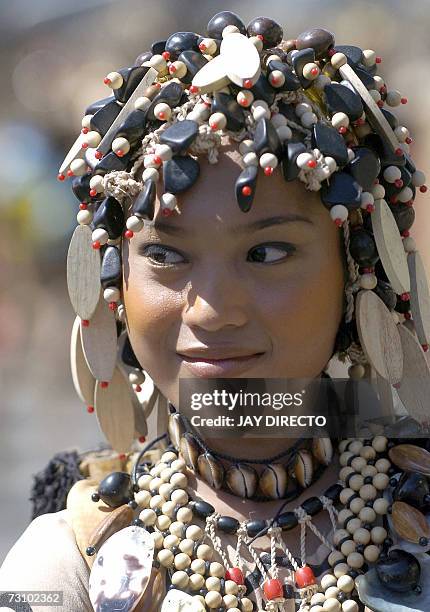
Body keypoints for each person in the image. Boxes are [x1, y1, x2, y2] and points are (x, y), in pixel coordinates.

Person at [1, 10, 429, 612]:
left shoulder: (417, 508)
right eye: (166, 254)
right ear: (115, 281)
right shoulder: (62, 566)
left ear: (358, 268)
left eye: (267, 252)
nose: (213, 311)